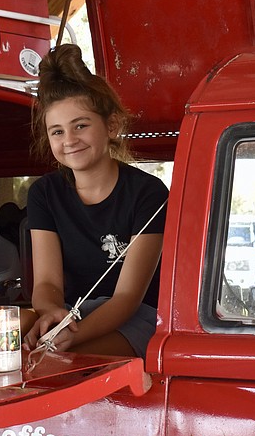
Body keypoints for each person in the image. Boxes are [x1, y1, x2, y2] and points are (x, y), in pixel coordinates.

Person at [21, 44, 168, 357]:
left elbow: (127, 298)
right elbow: (46, 283)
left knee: (62, 359)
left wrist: (69, 337)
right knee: (14, 325)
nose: (69, 140)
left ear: (111, 126)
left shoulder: (149, 193)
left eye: (81, 125)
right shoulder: (43, 193)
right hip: (73, 313)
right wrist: (51, 315)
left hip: (135, 316)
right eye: (57, 132)